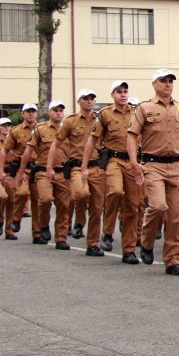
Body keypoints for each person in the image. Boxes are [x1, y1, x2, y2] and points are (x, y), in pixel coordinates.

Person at [127, 69, 179, 274]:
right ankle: (146, 241)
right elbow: (132, 135)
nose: (168, 84)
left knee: (176, 217)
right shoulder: (144, 108)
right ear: (154, 83)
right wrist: (134, 162)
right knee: (158, 206)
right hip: (153, 165)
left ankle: (172, 259)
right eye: (163, 81)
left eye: (171, 81)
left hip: (178, 165)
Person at [83, 80, 141, 257]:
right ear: (112, 95)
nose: (123, 95)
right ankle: (108, 232)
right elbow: (92, 140)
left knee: (133, 205)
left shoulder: (137, 113)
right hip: (114, 160)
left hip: (132, 161)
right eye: (119, 92)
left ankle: (129, 250)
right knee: (115, 192)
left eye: (125, 91)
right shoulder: (105, 114)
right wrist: (84, 165)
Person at [49, 89, 105, 250]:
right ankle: (80, 221)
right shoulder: (70, 121)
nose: (89, 101)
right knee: (81, 193)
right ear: (79, 101)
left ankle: (93, 244)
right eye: (85, 98)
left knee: (97, 208)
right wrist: (49, 167)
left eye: (92, 98)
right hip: (77, 167)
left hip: (97, 166)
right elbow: (56, 144)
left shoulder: (101, 120)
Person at [18, 100, 68, 246]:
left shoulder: (68, 129)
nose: (58, 113)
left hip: (63, 171)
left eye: (60, 110)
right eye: (55, 110)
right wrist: (21, 171)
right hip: (43, 171)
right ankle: (44, 225)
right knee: (45, 199)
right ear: (49, 112)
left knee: (64, 205)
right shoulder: (40, 129)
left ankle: (61, 238)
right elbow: (29, 151)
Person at [1, 104, 38, 238]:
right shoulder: (16, 131)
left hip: (38, 168)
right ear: (22, 114)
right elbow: (4, 150)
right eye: (28, 111)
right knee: (22, 193)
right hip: (20, 169)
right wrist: (1, 170)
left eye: (33, 111)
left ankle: (37, 233)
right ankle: (16, 218)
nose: (31, 114)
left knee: (38, 201)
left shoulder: (42, 129)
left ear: (37, 114)